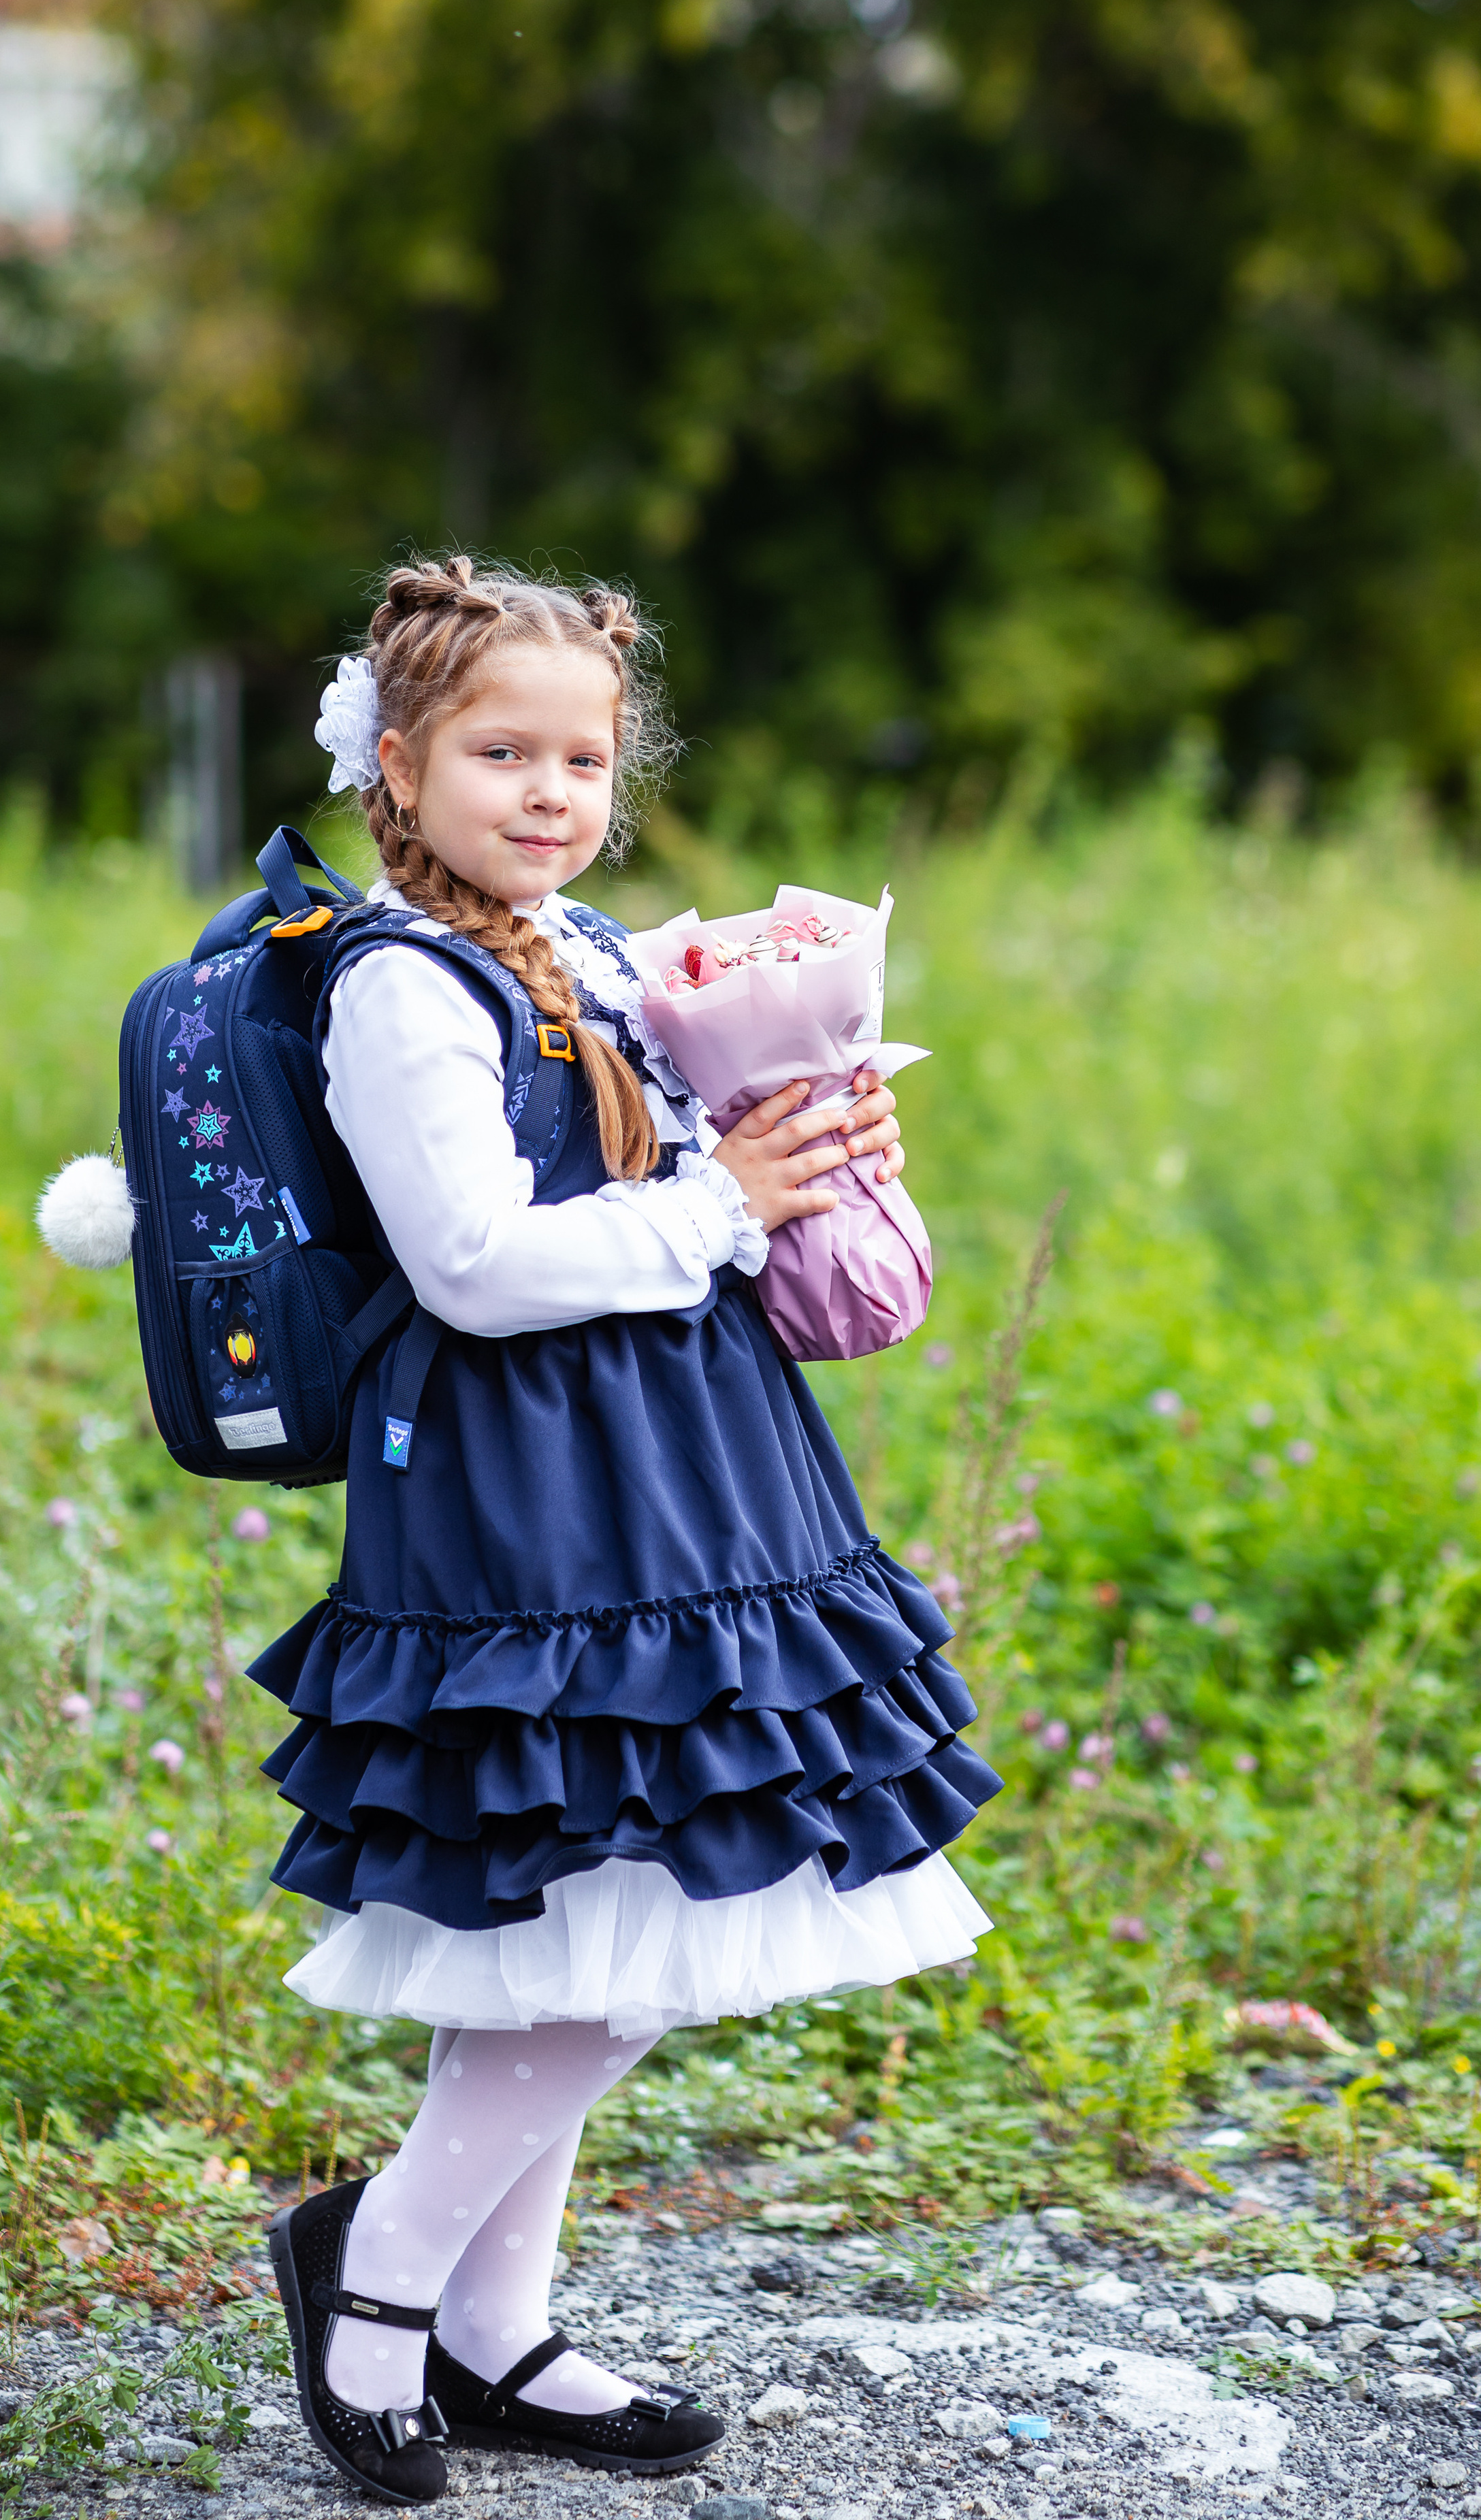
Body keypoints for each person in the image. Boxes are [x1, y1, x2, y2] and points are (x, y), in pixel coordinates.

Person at [252, 556, 1000, 2504]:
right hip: (530, 1490)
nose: (551, 789)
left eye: (582, 755)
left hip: (685, 1466)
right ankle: (381, 2275)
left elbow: (678, 1173)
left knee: (619, 1902)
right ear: (398, 769)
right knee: (611, 1905)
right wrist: (724, 1198)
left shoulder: (585, 949)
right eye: (502, 752)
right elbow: (478, 1266)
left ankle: (499, 2333)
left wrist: (797, 1133)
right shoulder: (397, 987)